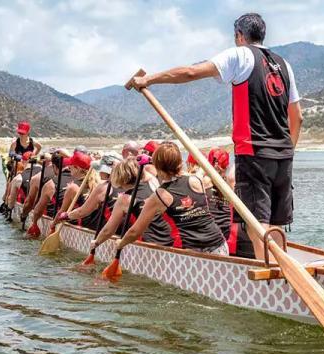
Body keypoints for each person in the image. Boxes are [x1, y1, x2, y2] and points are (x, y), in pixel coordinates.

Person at [129, 13, 303, 259]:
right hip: (284, 155)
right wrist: (289, 151)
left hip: (254, 152)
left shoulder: (240, 54)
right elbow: (297, 117)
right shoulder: (284, 64)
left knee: (256, 226)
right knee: (273, 224)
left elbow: (191, 72)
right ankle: (283, 277)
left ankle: (272, 284)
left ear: (239, 36)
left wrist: (148, 79)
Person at [113, 142, 227, 255]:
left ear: (156, 165)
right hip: (219, 244)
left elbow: (135, 231)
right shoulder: (196, 180)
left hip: (191, 251)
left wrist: (121, 243)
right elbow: (201, 168)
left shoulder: (159, 195)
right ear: (180, 162)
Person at [85, 156, 173, 257]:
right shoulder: (153, 182)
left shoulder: (124, 199)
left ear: (123, 180)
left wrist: (96, 243)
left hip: (146, 244)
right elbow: (143, 169)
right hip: (169, 240)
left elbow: (108, 231)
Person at [53, 153, 123, 231]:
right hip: (118, 230)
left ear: (77, 168)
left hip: (96, 230)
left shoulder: (101, 187)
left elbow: (80, 212)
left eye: (70, 165)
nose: (68, 167)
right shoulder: (102, 183)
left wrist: (61, 219)